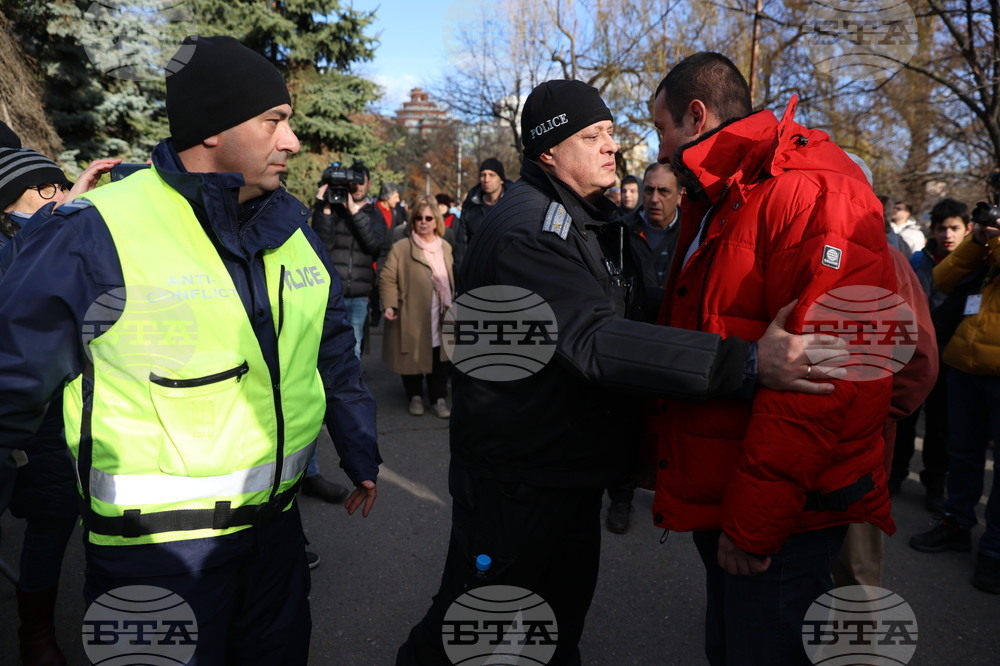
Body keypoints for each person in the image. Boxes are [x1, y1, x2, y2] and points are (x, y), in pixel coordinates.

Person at [395, 78, 847, 666]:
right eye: (592, 136)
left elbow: (639, 304)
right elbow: (594, 337)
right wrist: (749, 361)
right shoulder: (530, 229)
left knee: (550, 628)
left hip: (561, 470)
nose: (612, 145)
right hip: (519, 481)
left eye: (611, 131)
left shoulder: (586, 216)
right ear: (548, 153)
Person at [0, 35, 380, 664]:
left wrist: (360, 448)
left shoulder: (293, 228)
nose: (292, 141)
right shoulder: (94, 230)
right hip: (153, 558)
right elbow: (11, 376)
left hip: (275, 540)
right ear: (211, 129)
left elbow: (332, 347)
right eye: (274, 122)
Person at [650, 52, 896, 664]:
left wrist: (753, 523)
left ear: (696, 115)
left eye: (661, 128)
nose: (658, 146)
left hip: (779, 517)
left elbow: (826, 376)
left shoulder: (815, 192)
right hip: (732, 490)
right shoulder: (730, 194)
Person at [0, 146, 119, 665]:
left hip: (55, 416)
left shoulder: (57, 233)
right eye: (51, 187)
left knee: (53, 518)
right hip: (13, 412)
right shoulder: (22, 243)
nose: (61, 194)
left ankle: (36, 633)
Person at [909, 190, 1000, 595]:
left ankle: (995, 551)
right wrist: (978, 240)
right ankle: (956, 523)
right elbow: (944, 279)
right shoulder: (985, 241)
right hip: (966, 364)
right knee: (962, 453)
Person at [605, 161, 685, 534]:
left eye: (663, 191)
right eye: (649, 190)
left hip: (676, 345)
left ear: (679, 195)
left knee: (670, 426)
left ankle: (670, 494)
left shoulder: (694, 234)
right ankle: (620, 498)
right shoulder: (622, 232)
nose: (653, 198)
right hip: (632, 344)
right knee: (625, 425)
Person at [307, 158, 384, 504]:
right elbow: (317, 246)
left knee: (345, 365)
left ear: (366, 184)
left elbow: (373, 244)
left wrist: (352, 211)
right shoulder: (328, 211)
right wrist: (324, 209)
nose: (353, 188)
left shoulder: (371, 212)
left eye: (358, 182)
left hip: (356, 296)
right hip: (326, 294)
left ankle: (341, 420)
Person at [891, 198, 972, 510]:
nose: (948, 235)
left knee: (941, 427)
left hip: (951, 359)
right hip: (914, 354)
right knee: (905, 418)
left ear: (967, 231)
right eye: (942, 228)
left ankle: (935, 482)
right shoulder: (917, 262)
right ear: (933, 230)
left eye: (955, 228)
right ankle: (895, 473)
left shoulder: (976, 267)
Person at [379, 196, 455, 419]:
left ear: (436, 222)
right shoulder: (401, 248)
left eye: (429, 218)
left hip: (442, 312)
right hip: (412, 313)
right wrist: (390, 304)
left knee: (440, 355)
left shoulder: (446, 247)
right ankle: (414, 395)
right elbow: (387, 278)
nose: (423, 222)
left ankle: (438, 397)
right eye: (419, 218)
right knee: (412, 354)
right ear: (413, 221)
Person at [453, 157, 509, 273]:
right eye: (483, 175)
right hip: (477, 275)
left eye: (491, 175)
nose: (486, 179)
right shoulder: (470, 207)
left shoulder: (513, 205)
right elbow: (461, 245)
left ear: (501, 179)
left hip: (507, 275)